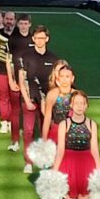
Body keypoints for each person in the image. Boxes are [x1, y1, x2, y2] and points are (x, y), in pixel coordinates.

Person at [52, 90, 100, 199]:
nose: (80, 106)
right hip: (69, 166)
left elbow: (95, 149)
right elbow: (60, 151)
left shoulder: (92, 124)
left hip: (86, 166)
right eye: (77, 103)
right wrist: (55, 172)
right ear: (71, 106)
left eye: (83, 103)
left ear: (86, 106)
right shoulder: (64, 125)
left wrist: (99, 171)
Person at [19, 25, 60, 174]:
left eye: (42, 38)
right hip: (29, 100)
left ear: (47, 39)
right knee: (28, 131)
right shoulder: (25, 56)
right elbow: (21, 80)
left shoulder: (54, 59)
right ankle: (28, 162)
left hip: (46, 102)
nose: (39, 41)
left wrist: (47, 102)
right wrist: (27, 100)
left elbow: (55, 83)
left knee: (46, 131)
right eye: (37, 38)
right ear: (33, 39)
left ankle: (45, 160)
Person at [42, 61, 76, 199]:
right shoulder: (52, 95)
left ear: (72, 78)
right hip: (55, 134)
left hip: (72, 136)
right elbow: (47, 118)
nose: (64, 79)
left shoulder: (77, 95)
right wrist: (44, 141)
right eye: (61, 76)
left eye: (67, 77)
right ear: (57, 79)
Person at [6, 12, 33, 153]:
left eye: (25, 24)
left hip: (31, 83)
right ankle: (15, 141)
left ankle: (33, 142)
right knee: (16, 111)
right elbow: (8, 60)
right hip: (16, 81)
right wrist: (11, 80)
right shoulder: (13, 39)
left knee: (32, 111)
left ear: (30, 24)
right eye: (21, 23)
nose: (23, 26)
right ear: (17, 24)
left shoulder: (34, 39)